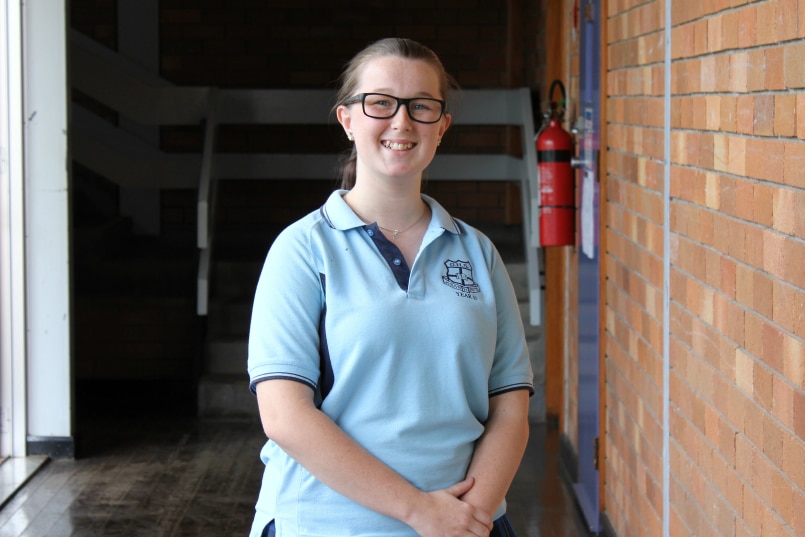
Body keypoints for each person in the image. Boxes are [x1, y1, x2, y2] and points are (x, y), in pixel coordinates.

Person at [247, 37, 534, 537]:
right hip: (327, 524)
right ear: (348, 119)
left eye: (421, 106)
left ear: (441, 126)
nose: (401, 122)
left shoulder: (478, 253)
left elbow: (510, 405)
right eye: (380, 103)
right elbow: (284, 415)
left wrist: (468, 518)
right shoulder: (302, 249)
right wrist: (421, 513)